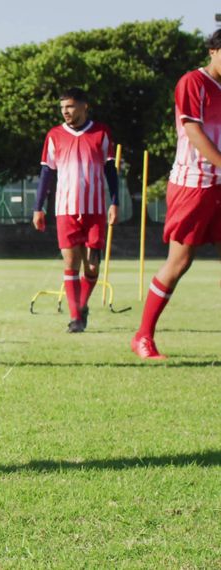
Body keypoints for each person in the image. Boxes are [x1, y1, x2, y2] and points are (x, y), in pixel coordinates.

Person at [132, 30, 221, 360]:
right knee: (180, 261)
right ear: (213, 50)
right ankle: (143, 336)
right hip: (193, 184)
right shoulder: (192, 82)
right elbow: (193, 130)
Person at [32, 88, 119, 333]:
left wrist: (115, 201)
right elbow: (47, 172)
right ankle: (75, 318)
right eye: (62, 108)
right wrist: (38, 207)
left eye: (70, 106)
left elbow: (110, 170)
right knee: (70, 262)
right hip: (65, 209)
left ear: (84, 106)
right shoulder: (54, 135)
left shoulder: (101, 133)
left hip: (95, 211)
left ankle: (81, 306)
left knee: (91, 267)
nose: (66, 112)